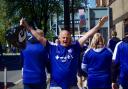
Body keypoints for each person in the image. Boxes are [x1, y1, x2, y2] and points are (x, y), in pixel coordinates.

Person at [20, 16, 108, 89]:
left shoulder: (75, 46)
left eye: (67, 37)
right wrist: (27, 26)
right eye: (63, 37)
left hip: (72, 85)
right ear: (59, 38)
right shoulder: (52, 47)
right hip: (56, 86)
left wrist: (98, 26)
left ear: (70, 38)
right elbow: (39, 37)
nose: (65, 39)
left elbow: (87, 35)